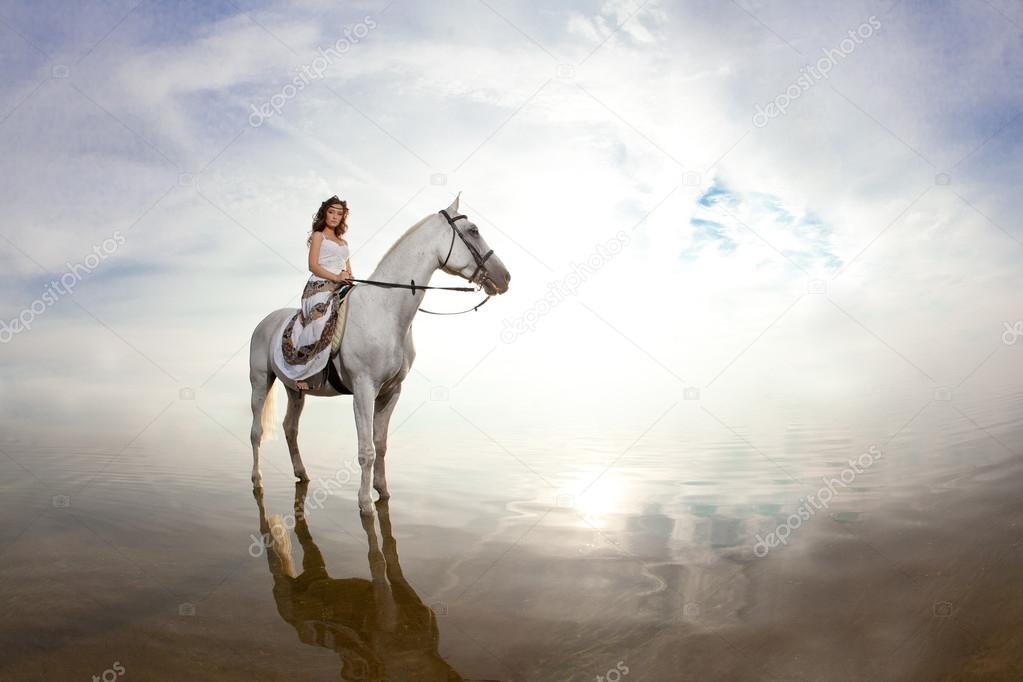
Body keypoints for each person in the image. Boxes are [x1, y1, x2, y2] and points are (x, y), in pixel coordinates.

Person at [273, 195, 355, 392]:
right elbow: (313, 266)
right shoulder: (319, 236)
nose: (335, 216)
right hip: (319, 287)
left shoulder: (344, 243)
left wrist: (349, 278)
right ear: (324, 214)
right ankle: (302, 372)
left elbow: (349, 270)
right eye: (331, 212)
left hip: (340, 285)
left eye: (339, 213)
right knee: (320, 320)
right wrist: (336, 278)